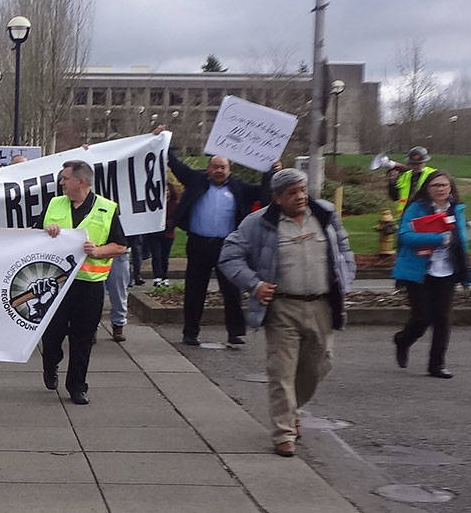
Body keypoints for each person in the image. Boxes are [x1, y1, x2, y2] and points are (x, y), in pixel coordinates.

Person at [218, 168, 355, 458]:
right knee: (281, 372)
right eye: (292, 192)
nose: (300, 196)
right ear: (277, 198)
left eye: (302, 190)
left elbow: (343, 248)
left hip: (321, 305)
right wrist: (255, 284)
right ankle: (283, 433)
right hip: (282, 308)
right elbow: (229, 257)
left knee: (319, 366)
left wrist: (345, 276)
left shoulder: (325, 214)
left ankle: (293, 410)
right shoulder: (258, 223)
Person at [156, 125, 275, 346]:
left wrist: (271, 172)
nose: (219, 170)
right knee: (195, 291)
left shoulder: (240, 188)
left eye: (223, 167)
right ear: (208, 168)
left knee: (231, 290)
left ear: (229, 169)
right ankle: (190, 333)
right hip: (198, 244)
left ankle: (235, 333)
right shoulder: (195, 180)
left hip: (228, 246)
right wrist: (163, 139)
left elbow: (265, 193)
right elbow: (176, 165)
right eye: (215, 166)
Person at [38, 160, 127, 405]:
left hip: (89, 286)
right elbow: (34, 237)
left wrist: (98, 251)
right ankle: (50, 364)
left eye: (65, 178)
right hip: (56, 284)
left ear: (81, 181)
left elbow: (120, 245)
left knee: (83, 338)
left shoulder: (107, 208)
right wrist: (47, 230)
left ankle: (77, 386)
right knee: (52, 334)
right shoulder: (54, 204)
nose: (61, 182)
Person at [391, 171, 471, 379]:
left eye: (444, 185)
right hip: (419, 271)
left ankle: (437, 365)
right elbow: (405, 236)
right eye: (435, 185)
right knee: (422, 318)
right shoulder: (416, 208)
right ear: (427, 188)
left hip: (446, 271)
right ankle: (403, 340)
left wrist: (465, 275)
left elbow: (462, 243)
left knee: (442, 319)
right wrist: (438, 239)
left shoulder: (456, 209)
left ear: (451, 188)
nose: (440, 189)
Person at [387, 146, 437, 216]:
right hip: (405, 216)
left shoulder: (433, 175)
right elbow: (395, 197)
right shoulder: (405, 176)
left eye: (419, 163)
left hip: (425, 215)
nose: (415, 166)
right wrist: (392, 183)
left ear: (424, 162)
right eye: (413, 164)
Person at [149, 183, 181, 287]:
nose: (166, 193)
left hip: (168, 234)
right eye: (164, 190)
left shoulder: (175, 204)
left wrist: (168, 224)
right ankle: (157, 277)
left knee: (164, 256)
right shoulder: (154, 203)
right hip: (155, 234)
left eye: (167, 190)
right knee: (156, 255)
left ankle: (164, 276)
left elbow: (176, 218)